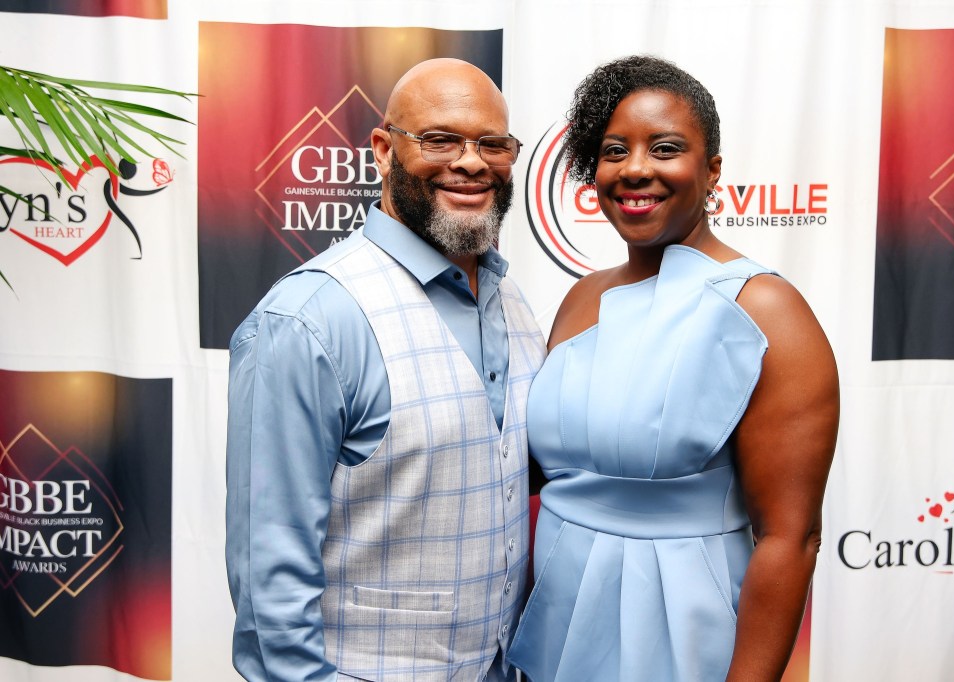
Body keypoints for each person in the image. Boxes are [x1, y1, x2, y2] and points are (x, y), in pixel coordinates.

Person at [506, 55, 840, 681]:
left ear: (712, 170)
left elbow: (790, 539)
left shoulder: (765, 309)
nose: (636, 169)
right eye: (614, 151)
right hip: (558, 618)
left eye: (665, 148)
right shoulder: (581, 297)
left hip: (684, 631)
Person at [226, 58, 546, 682]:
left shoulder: (511, 299)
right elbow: (270, 577)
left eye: (492, 144)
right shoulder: (309, 319)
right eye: (440, 139)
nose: (472, 162)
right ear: (383, 150)